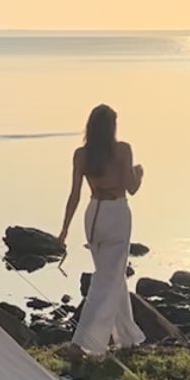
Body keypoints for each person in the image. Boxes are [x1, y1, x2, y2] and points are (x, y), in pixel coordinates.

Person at [58, 103, 145, 357]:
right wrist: (139, 172)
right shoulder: (122, 150)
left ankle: (126, 337)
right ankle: (81, 343)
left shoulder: (82, 154)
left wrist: (64, 228)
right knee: (107, 279)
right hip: (117, 212)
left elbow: (75, 193)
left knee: (112, 276)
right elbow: (132, 187)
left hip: (94, 214)